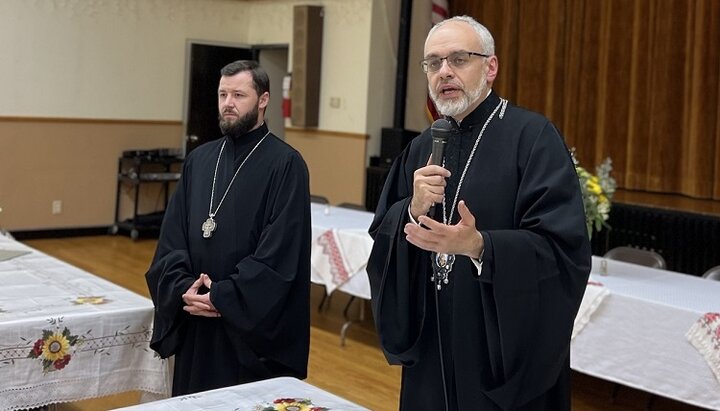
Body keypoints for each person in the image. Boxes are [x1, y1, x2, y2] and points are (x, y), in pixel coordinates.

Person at [367, 16, 591, 411]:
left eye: (458, 59)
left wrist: (480, 246)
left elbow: (562, 251)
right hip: (432, 342)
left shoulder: (533, 137)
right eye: (433, 63)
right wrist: (411, 208)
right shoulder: (422, 147)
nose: (444, 72)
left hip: (494, 350)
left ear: (490, 67)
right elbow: (384, 235)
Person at [145, 60, 311, 396]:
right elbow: (172, 237)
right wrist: (181, 287)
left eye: (238, 94)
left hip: (246, 332)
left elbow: (281, 252)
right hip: (195, 317)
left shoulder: (286, 164)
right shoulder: (200, 159)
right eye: (222, 94)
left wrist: (223, 296)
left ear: (263, 100)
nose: (227, 103)